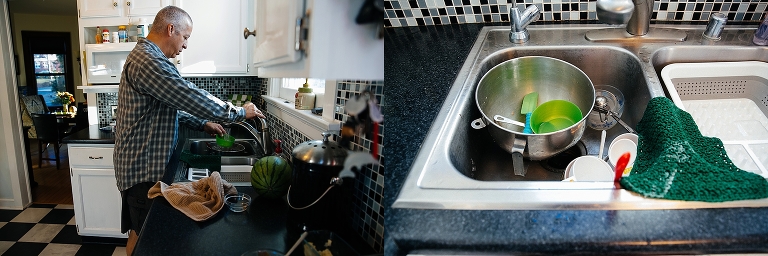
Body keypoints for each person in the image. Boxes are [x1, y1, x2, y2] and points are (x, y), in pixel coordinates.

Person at [113, 6, 265, 255]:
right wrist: (238, 112)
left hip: (143, 166)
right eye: (185, 37)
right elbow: (189, 96)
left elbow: (168, 106)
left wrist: (202, 123)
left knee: (141, 233)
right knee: (145, 238)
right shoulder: (149, 61)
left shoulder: (149, 57)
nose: (185, 46)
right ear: (170, 29)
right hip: (143, 170)